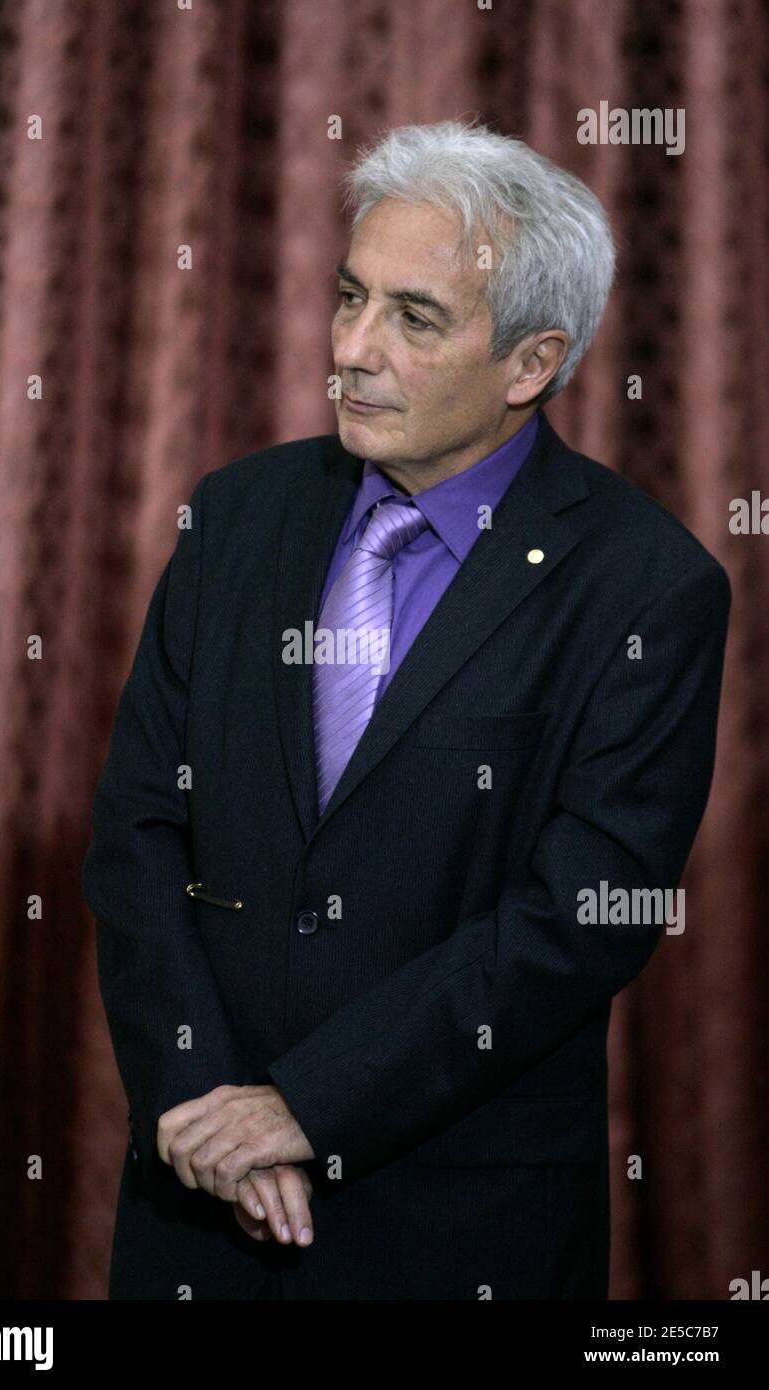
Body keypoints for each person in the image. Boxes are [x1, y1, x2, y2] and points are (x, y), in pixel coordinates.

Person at [83, 118, 731, 1300]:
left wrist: (306, 1106)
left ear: (532, 363)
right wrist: (199, 1093)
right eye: (349, 298)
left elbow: (580, 920)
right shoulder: (235, 517)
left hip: (451, 1226)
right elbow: (136, 833)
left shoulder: (649, 586)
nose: (350, 351)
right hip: (196, 1213)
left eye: (411, 318)